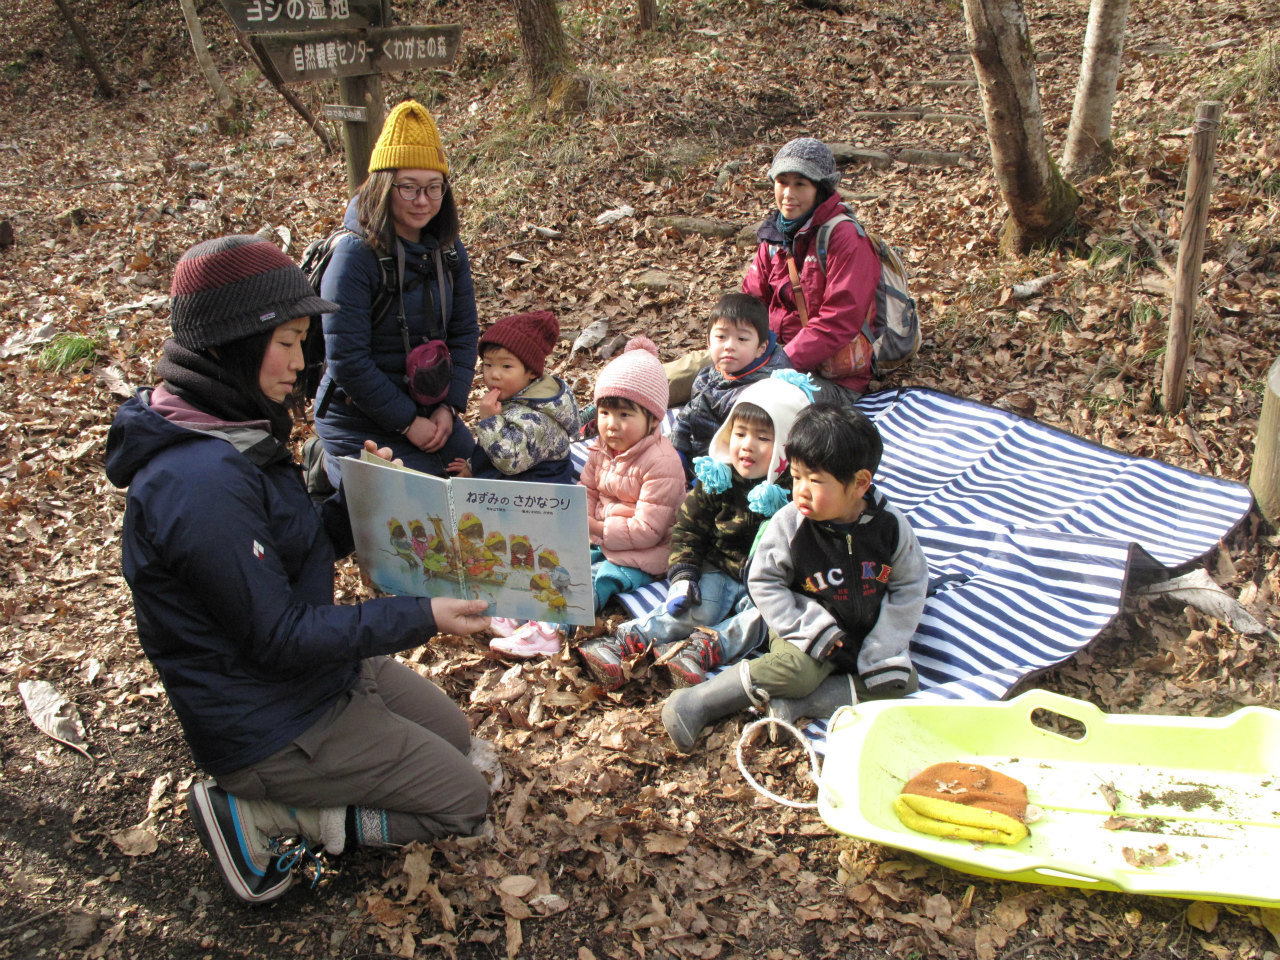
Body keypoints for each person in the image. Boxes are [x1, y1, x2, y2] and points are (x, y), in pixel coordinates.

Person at [104, 235, 493, 905]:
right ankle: (263, 814)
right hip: (268, 720)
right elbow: (276, 636)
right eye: (286, 342)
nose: (300, 363)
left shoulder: (228, 426)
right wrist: (419, 616)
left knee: (457, 738)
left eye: (303, 341)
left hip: (308, 678)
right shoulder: (196, 482)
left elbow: (295, 546)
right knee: (463, 802)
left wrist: (357, 498)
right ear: (233, 342)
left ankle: (326, 769)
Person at [661, 402, 929, 753]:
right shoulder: (790, 523)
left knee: (902, 682)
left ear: (860, 484)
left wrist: (883, 643)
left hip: (865, 632)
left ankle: (799, 705)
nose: (799, 489)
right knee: (797, 672)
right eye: (797, 475)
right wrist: (811, 628)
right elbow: (763, 581)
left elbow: (909, 585)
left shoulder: (890, 527)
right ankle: (696, 703)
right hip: (805, 627)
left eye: (814, 481)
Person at [578, 371, 817, 691]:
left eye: (763, 438)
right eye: (740, 433)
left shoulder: (797, 493)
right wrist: (683, 575)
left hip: (769, 582)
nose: (747, 446)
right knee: (696, 607)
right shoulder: (718, 477)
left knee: (761, 620)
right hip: (719, 568)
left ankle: (699, 651)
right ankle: (626, 641)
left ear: (788, 445)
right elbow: (688, 528)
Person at [314, 99, 479, 484]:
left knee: (481, 487)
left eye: (433, 188)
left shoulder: (449, 249)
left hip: (431, 412)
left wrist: (450, 406)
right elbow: (347, 359)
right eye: (409, 188)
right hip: (358, 418)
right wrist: (407, 423)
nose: (423, 201)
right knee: (417, 518)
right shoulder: (354, 255)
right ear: (384, 185)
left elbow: (464, 333)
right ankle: (326, 468)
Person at [741, 137, 883, 406]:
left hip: (831, 378)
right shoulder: (774, 235)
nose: (788, 194)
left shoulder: (845, 238)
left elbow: (838, 320)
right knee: (704, 375)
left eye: (800, 184)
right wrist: (740, 347)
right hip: (772, 354)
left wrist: (778, 365)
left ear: (820, 189)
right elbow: (752, 301)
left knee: (756, 402)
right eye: (782, 182)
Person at [446, 310, 578, 485]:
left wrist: (490, 421)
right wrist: (474, 465)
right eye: (488, 364)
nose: (494, 374)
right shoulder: (514, 396)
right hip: (510, 489)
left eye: (506, 366)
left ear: (531, 372)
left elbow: (510, 461)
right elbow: (500, 440)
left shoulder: (538, 418)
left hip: (537, 500)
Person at [669, 292, 790, 476]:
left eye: (742, 339)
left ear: (761, 348)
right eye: (721, 337)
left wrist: (708, 478)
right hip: (698, 457)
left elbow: (750, 451)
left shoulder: (762, 392)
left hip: (729, 472)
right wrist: (676, 453)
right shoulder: (708, 375)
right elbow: (688, 415)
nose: (729, 346)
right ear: (709, 342)